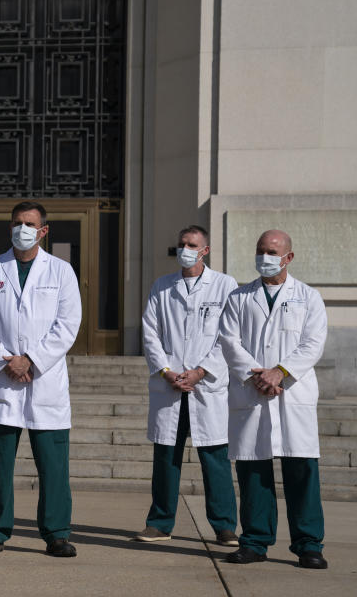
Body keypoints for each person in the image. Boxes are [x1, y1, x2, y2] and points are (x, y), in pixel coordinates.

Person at [0, 201, 82, 558]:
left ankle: (57, 533)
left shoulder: (61, 271)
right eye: (17, 222)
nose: (22, 229)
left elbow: (68, 324)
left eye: (30, 223)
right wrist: (8, 362)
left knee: (53, 465)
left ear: (43, 230)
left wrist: (31, 360)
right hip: (4, 381)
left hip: (44, 381)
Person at [218, 229, 328, 569]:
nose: (264, 257)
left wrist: (279, 372)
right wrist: (258, 375)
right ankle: (254, 541)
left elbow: (312, 344)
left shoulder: (308, 297)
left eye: (272, 251)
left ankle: (308, 544)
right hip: (253, 392)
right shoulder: (239, 297)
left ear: (288, 257)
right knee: (254, 471)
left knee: (301, 470)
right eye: (260, 250)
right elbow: (228, 340)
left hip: (291, 394)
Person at [136, 225, 238, 545]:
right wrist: (167, 371)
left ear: (204, 250)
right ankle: (160, 523)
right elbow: (150, 333)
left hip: (206, 386)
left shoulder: (224, 286)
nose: (185, 249)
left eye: (192, 244)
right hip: (170, 386)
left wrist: (201, 371)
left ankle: (224, 526)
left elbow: (229, 337)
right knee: (166, 456)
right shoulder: (162, 287)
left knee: (214, 457)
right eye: (181, 244)